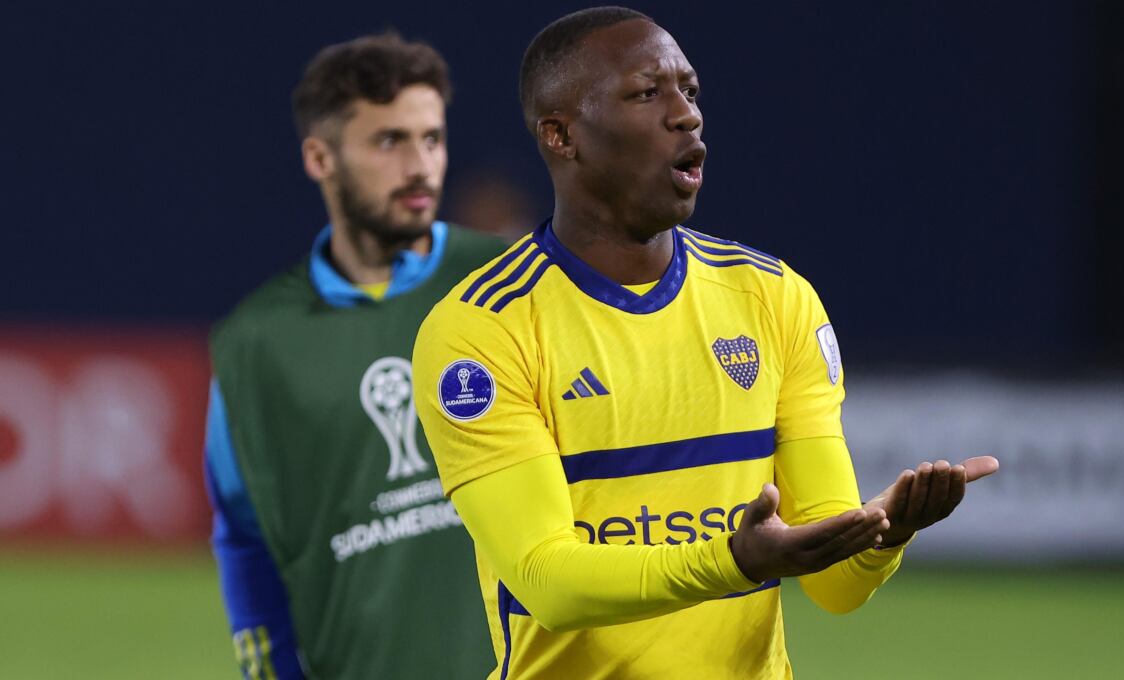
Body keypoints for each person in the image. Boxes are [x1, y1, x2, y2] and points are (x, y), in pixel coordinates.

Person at [412, 7, 998, 680]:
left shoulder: (774, 299)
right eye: (645, 92)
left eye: (690, 91)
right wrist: (734, 561)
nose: (685, 114)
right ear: (561, 134)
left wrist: (881, 537)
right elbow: (549, 581)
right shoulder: (484, 330)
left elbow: (835, 587)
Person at [203, 32, 504, 679]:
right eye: (389, 141)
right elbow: (245, 535)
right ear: (320, 157)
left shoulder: (508, 281)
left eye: (432, 138)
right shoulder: (255, 344)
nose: (420, 166)